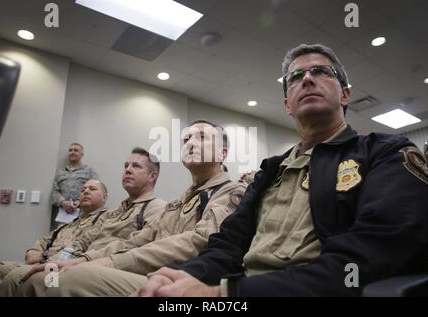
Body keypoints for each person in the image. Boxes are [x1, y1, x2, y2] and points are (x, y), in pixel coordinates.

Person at [133, 44, 428, 297]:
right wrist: (184, 274)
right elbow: (228, 245)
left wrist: (224, 294)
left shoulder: (383, 152)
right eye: (296, 77)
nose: (307, 79)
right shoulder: (271, 170)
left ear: (346, 94)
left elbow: (375, 253)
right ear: (288, 104)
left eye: (321, 72)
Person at [11, 120, 246, 296]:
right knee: (39, 278)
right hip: (142, 272)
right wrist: (83, 259)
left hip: (180, 280)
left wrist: (111, 262)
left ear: (222, 153)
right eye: (186, 140)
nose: (191, 144)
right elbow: (135, 240)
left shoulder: (231, 193)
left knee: (62, 282)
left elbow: (200, 241)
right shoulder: (177, 203)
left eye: (202, 138)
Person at [0, 147, 167, 296]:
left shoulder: (156, 207)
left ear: (152, 176)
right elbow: (81, 242)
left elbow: (136, 245)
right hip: (80, 264)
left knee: (33, 280)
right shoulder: (114, 212)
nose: (128, 170)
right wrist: (56, 260)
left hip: (105, 268)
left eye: (136, 166)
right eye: (126, 166)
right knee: (21, 276)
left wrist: (81, 260)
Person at [0, 179, 108, 296]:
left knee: (3, 274)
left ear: (104, 198)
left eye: (92, 189)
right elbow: (41, 243)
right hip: (38, 262)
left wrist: (45, 257)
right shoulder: (69, 224)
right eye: (83, 189)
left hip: (62, 269)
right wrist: (36, 255)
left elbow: (82, 249)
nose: (85, 191)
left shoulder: (106, 220)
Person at [50, 143, 99, 230]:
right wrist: (63, 202)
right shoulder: (60, 172)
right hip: (62, 217)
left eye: (76, 150)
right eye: (70, 150)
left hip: (83, 216)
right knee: (59, 240)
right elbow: (54, 191)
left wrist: (80, 201)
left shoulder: (89, 171)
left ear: (82, 154)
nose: (72, 152)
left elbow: (96, 190)